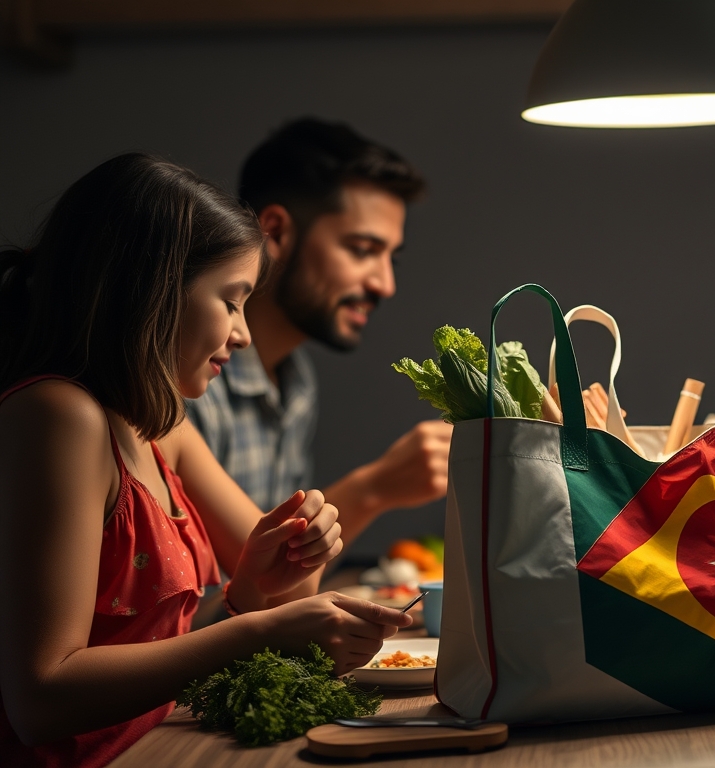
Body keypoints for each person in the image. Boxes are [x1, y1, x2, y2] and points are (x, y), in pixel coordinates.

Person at [0, 154, 412, 765]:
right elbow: (41, 699)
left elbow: (290, 592)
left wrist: (272, 574)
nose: (243, 333)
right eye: (232, 300)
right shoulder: (60, 416)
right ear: (152, 290)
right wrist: (256, 629)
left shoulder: (164, 427)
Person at [186, 118, 452, 553]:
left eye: (391, 259)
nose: (385, 285)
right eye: (363, 250)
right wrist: (373, 488)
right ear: (274, 231)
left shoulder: (297, 382)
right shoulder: (187, 381)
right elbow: (242, 585)